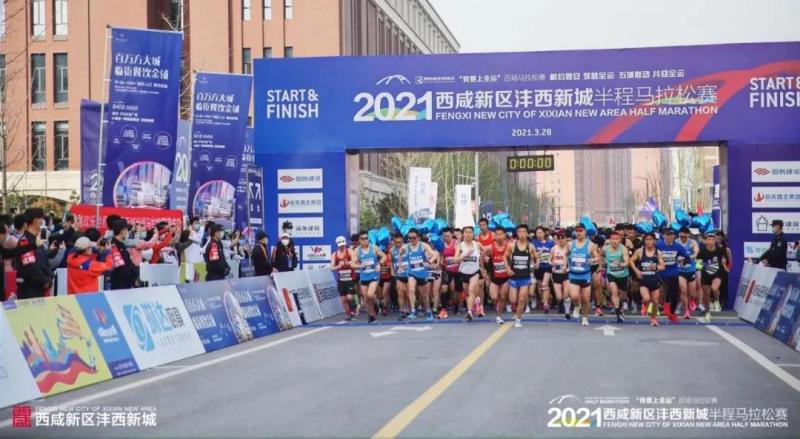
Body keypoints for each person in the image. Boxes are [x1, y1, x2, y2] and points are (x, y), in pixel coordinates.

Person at [567, 223, 601, 326]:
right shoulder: (570, 244)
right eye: (577, 231)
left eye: (581, 230)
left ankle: (585, 318)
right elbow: (565, 254)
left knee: (586, 298)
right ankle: (577, 306)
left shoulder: (590, 245)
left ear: (585, 232)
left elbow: (597, 257)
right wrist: (565, 263)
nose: (578, 233)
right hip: (573, 274)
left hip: (585, 274)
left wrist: (592, 260)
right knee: (574, 296)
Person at [350, 231, 387, 324]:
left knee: (370, 295)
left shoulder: (374, 247)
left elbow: (384, 256)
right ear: (359, 240)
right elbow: (352, 264)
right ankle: (372, 316)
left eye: (366, 238)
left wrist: (379, 264)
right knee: (366, 298)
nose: (365, 240)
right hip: (364, 276)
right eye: (363, 239)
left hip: (374, 275)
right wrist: (360, 266)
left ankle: (377, 303)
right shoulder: (357, 251)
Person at [400, 228, 437, 321]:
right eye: (410, 238)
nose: (412, 240)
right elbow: (400, 255)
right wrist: (401, 265)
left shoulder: (423, 245)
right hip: (411, 272)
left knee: (424, 295)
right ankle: (413, 311)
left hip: (422, 273)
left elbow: (434, 255)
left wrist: (430, 261)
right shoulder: (405, 247)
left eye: (414, 238)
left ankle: (428, 310)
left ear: (418, 237)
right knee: (411, 289)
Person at [15, 208, 52, 299]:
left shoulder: (37, 240)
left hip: (39, 288)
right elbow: (30, 266)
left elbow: (44, 261)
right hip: (29, 290)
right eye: (42, 219)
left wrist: (49, 278)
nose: (43, 222)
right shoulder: (25, 241)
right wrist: (44, 281)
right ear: (36, 221)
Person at [630, 233, 666, 326]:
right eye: (646, 239)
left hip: (654, 280)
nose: (648, 241)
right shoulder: (640, 251)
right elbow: (631, 261)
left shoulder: (658, 252)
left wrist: (655, 267)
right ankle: (645, 304)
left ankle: (653, 318)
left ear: (654, 241)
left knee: (655, 301)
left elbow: (663, 266)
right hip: (643, 281)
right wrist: (636, 271)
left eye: (650, 239)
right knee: (646, 298)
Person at [656, 228, 689, 324]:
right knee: (666, 288)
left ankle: (671, 312)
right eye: (667, 234)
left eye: (671, 235)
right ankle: (664, 306)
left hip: (673, 272)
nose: (669, 237)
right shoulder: (658, 245)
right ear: (664, 236)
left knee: (675, 293)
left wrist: (683, 262)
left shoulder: (677, 246)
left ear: (674, 236)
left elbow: (687, 257)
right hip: (661, 272)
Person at [509, 224, 537, 328]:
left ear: (527, 233)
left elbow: (536, 258)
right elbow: (504, 257)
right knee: (513, 300)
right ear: (517, 233)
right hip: (514, 276)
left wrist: (537, 263)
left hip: (525, 276)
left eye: (524, 232)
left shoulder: (531, 246)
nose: (521, 234)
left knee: (521, 299)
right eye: (519, 232)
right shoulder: (512, 245)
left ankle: (518, 319)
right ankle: (517, 311)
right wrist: (508, 269)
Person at [697, 232, 729, 322]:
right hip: (705, 274)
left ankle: (716, 300)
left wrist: (725, 264)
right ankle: (707, 312)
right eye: (709, 239)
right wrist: (699, 266)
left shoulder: (720, 250)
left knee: (714, 288)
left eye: (712, 239)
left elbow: (726, 255)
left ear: (715, 241)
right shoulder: (702, 251)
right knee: (706, 295)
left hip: (717, 273)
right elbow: (698, 263)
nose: (710, 241)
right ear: (706, 241)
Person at [454, 226, 482, 322]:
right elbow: (455, 260)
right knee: (467, 293)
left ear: (473, 234)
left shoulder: (477, 244)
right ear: (463, 234)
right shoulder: (459, 246)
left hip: (475, 271)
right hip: (464, 272)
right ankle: (476, 301)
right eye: (466, 232)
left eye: (470, 232)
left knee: (471, 289)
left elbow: (485, 252)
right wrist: (465, 254)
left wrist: (485, 257)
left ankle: (469, 312)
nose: (468, 234)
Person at [485, 227, 511, 324]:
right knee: (494, 297)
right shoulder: (490, 247)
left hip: (506, 277)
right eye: (497, 234)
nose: (499, 236)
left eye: (501, 234)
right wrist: (484, 270)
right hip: (494, 277)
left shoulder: (509, 247)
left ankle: (499, 316)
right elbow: (481, 257)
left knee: (503, 296)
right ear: (494, 236)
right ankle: (498, 306)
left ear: (504, 235)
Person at [603, 230, 629, 323]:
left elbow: (627, 262)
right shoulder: (605, 248)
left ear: (620, 240)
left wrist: (620, 264)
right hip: (611, 274)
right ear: (609, 240)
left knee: (622, 296)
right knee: (614, 292)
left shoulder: (623, 249)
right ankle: (618, 313)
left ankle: (621, 306)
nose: (614, 241)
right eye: (612, 239)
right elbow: (599, 255)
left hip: (623, 275)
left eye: (616, 239)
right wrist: (601, 265)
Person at [109, 219, 139, 290]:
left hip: (127, 282)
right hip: (119, 283)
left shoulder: (121, 244)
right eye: (126, 229)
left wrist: (135, 276)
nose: (127, 232)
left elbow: (128, 262)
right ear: (122, 231)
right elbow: (120, 265)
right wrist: (132, 278)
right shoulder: (113, 245)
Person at [331, 235, 356, 320]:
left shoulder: (350, 251)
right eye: (340, 245)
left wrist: (346, 263)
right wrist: (338, 266)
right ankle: (349, 314)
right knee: (343, 299)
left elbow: (355, 261)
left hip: (350, 278)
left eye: (343, 244)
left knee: (349, 297)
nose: (342, 246)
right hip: (341, 279)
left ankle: (354, 305)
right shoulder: (334, 254)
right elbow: (331, 268)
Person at [677, 227, 700, 319]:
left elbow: (697, 252)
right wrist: (678, 258)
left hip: (691, 270)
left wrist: (690, 257)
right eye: (681, 236)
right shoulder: (676, 242)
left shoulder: (692, 242)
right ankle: (686, 310)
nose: (683, 238)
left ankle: (693, 300)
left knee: (692, 293)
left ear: (688, 235)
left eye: (685, 237)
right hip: (680, 271)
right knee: (683, 290)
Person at [533, 226, 555, 313]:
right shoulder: (533, 243)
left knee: (544, 284)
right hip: (538, 267)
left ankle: (546, 304)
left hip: (547, 267)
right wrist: (539, 252)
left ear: (544, 233)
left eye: (541, 233)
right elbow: (532, 255)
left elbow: (554, 254)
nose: (539, 234)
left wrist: (552, 262)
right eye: (537, 233)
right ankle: (543, 301)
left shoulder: (550, 243)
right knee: (540, 287)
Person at [441, 228, 462, 316]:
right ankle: (443, 309)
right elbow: (441, 256)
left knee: (454, 289)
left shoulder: (457, 243)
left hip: (457, 270)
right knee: (444, 288)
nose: (446, 238)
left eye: (448, 236)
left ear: (452, 235)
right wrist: (441, 262)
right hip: (447, 270)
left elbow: (461, 256)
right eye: (444, 236)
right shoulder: (442, 244)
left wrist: (456, 259)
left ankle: (456, 306)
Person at [389, 233, 409, 320]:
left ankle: (408, 308)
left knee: (407, 292)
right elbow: (391, 261)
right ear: (393, 241)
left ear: (403, 241)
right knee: (400, 292)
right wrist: (392, 271)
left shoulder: (407, 248)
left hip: (408, 273)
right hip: (398, 274)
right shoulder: (391, 250)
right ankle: (402, 311)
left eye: (400, 242)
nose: (398, 244)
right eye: (396, 242)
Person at [550, 231, 570, 315]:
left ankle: (567, 308)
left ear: (566, 239)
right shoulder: (554, 248)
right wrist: (552, 264)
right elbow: (549, 259)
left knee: (566, 294)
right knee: (559, 297)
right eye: (559, 238)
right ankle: (560, 304)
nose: (561, 240)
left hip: (566, 273)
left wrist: (567, 266)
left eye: (562, 238)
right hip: (556, 273)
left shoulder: (569, 248)